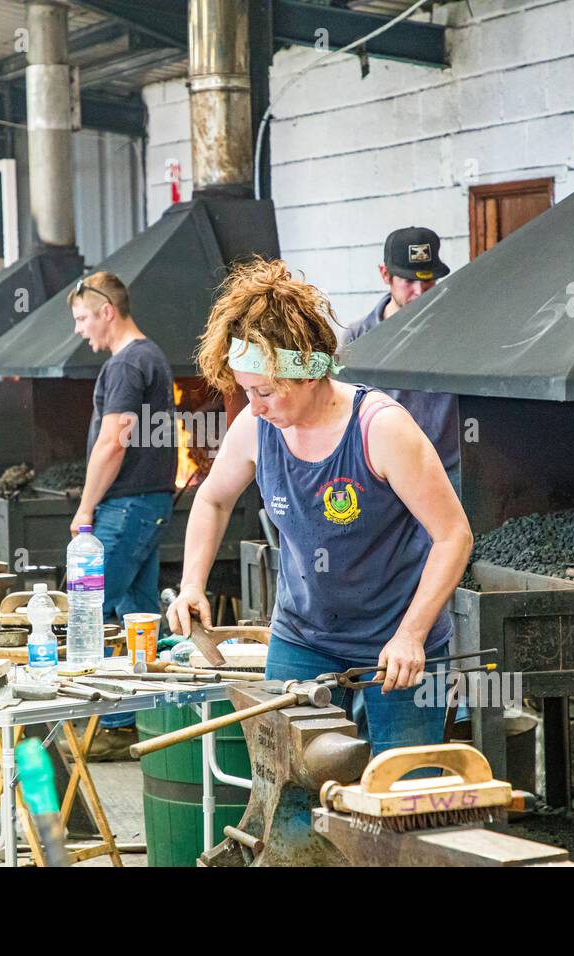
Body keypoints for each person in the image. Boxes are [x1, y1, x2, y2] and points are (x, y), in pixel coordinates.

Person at [168, 258, 473, 756]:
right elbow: (213, 498)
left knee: (401, 790)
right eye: (247, 391)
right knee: (287, 780)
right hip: (301, 637)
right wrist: (191, 585)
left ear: (307, 374)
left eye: (264, 391)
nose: (255, 405)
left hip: (395, 642)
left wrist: (412, 635)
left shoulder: (381, 429)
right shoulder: (256, 426)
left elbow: (453, 535)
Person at [69, 272, 177, 756]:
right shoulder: (148, 356)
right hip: (147, 502)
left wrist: (85, 506)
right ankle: (130, 724)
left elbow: (115, 440)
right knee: (138, 613)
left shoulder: (129, 363)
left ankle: (90, 723)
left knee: (86, 612)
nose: (80, 329)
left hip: (127, 504)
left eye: (82, 318)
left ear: (106, 311)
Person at [338, 226, 460, 491]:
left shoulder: (457, 332)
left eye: (427, 281)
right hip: (384, 475)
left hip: (451, 473)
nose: (419, 291)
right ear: (385, 274)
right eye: (408, 281)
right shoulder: (357, 337)